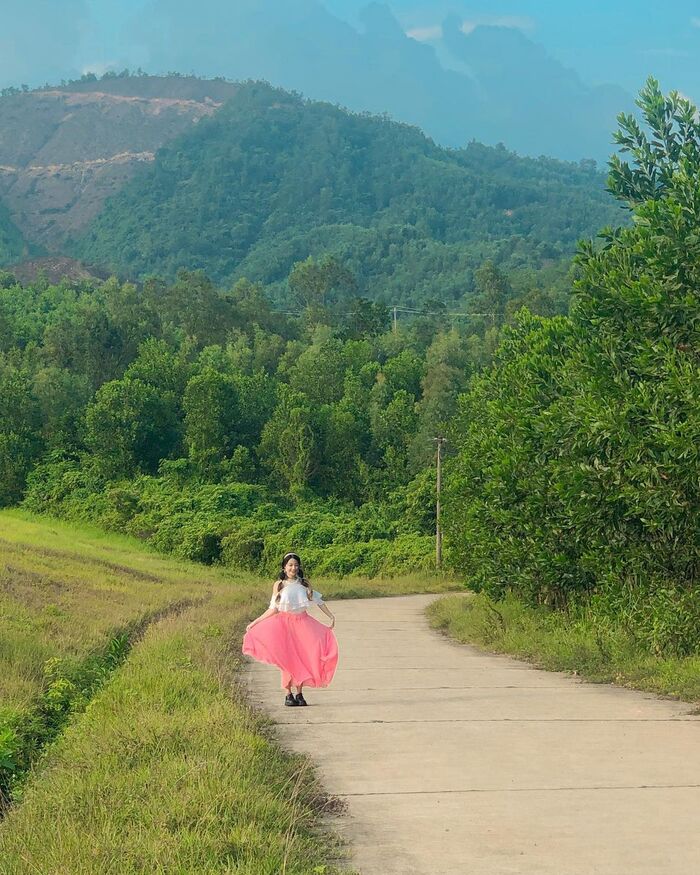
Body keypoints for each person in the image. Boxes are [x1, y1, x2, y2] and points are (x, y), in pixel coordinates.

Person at [242, 552, 338, 706]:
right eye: (290, 565)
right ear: (284, 567)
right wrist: (255, 622)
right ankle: (288, 694)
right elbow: (273, 609)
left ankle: (299, 694)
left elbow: (318, 601)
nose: (293, 568)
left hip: (303, 624)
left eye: (296, 565)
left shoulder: (304, 584)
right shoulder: (279, 585)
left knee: (302, 657)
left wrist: (330, 616)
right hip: (284, 625)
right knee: (287, 659)